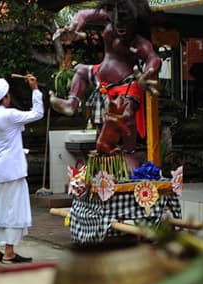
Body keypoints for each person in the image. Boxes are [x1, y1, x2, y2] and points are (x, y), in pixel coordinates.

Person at [49, 0, 160, 169]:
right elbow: (84, 14)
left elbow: (154, 58)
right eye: (117, 22)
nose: (120, 26)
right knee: (80, 70)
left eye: (126, 23)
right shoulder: (109, 20)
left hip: (126, 84)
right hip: (101, 77)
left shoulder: (138, 43)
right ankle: (72, 103)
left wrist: (148, 73)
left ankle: (130, 152)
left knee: (127, 115)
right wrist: (75, 27)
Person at [0, 75, 43, 264]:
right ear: (6, 97)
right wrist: (35, 89)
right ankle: (9, 252)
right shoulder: (9, 115)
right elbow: (38, 113)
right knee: (13, 209)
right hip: (12, 170)